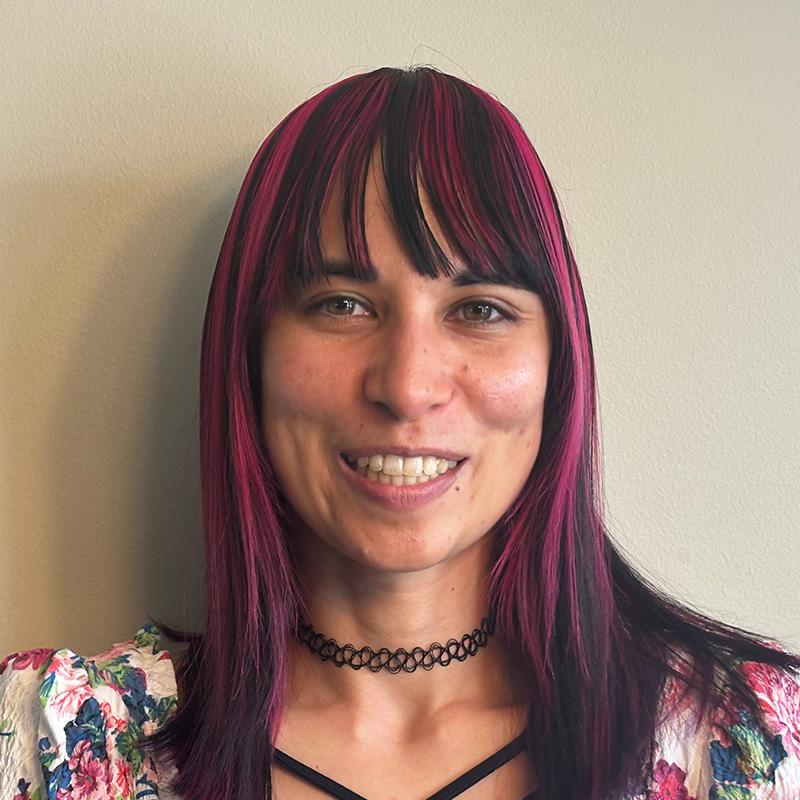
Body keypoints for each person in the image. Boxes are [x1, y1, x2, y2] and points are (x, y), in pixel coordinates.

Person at [1, 65, 798, 800]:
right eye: (341, 304)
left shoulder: (749, 743)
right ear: (248, 353)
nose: (409, 386)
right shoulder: (58, 746)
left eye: (480, 309)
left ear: (560, 366)